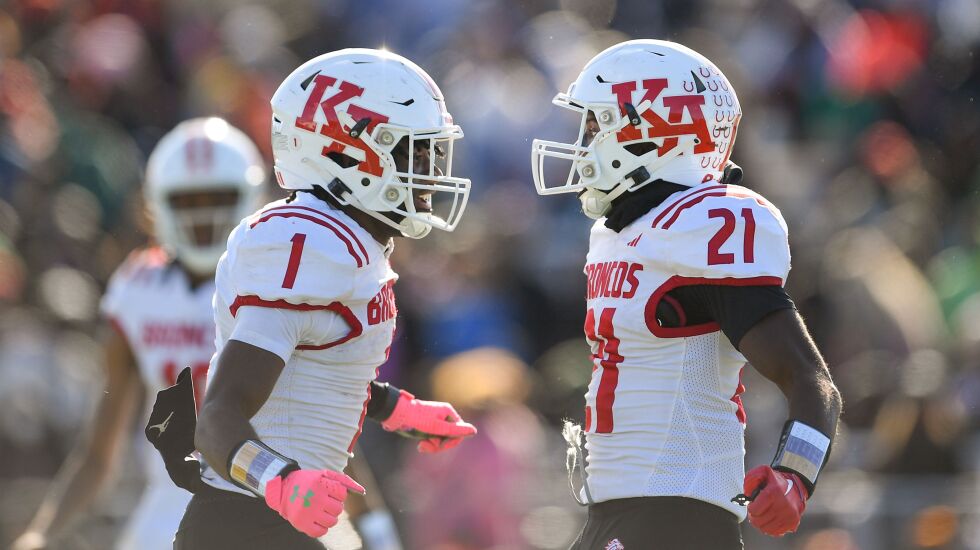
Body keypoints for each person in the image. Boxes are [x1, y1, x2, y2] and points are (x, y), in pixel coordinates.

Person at [530, 39, 843, 549]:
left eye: (595, 125)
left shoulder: (704, 224)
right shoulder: (618, 232)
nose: (583, 143)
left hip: (677, 515)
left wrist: (795, 474)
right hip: (615, 513)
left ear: (652, 132)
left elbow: (811, 379)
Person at [168, 48, 477, 549]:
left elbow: (308, 367)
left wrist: (394, 407)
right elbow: (218, 418)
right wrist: (281, 481)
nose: (430, 172)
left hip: (276, 524)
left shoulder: (347, 241)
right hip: (246, 525)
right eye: (412, 153)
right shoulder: (307, 244)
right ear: (345, 154)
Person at [11, 117, 265, 550]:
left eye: (217, 198)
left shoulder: (278, 287)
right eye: (188, 201)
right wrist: (41, 533)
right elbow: (98, 453)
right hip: (168, 512)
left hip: (265, 509)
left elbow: (326, 424)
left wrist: (372, 528)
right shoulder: (139, 288)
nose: (203, 215)